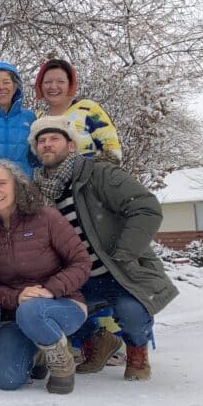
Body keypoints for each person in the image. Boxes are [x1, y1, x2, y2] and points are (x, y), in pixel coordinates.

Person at [30, 116, 178, 380]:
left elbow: (146, 207)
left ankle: (137, 349)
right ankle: (96, 341)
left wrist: (125, 253)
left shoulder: (98, 174)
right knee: (49, 309)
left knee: (131, 312)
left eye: (54, 139)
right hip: (78, 279)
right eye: (41, 141)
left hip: (117, 270)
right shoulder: (38, 192)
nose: (47, 145)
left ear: (71, 145)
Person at [0, 160, 92, 394]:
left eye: (2, 183)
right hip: (18, 312)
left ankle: (61, 363)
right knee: (7, 379)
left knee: (32, 310)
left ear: (17, 185)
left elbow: (81, 262)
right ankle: (39, 353)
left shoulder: (46, 217)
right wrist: (17, 297)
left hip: (63, 305)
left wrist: (50, 290)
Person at [34, 58, 122, 161]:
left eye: (60, 81)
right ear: (40, 85)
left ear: (70, 84)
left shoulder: (87, 109)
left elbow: (112, 151)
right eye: (47, 82)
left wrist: (91, 172)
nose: (53, 86)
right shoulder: (37, 119)